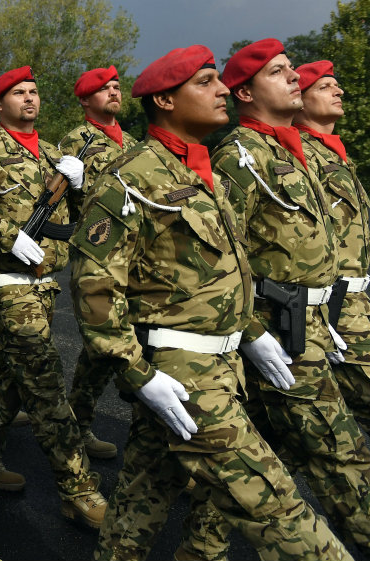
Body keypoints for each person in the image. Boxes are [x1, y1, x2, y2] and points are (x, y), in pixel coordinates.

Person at [69, 43, 353, 561]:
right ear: (165, 101)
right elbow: (94, 286)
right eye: (204, 82)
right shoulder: (132, 175)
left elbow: (231, 271)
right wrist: (137, 374)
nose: (222, 90)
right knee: (280, 511)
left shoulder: (202, 175)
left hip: (224, 365)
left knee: (142, 498)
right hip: (183, 370)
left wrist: (250, 332)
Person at [187, 37, 370, 555]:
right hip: (281, 328)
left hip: (318, 317)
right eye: (279, 72)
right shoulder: (240, 157)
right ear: (244, 92)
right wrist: (253, 332)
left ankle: (199, 550)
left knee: (269, 452)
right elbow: (225, 253)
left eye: (293, 69)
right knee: (340, 454)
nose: (295, 78)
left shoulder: (290, 148)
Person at [0, 65, 107, 528]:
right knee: (45, 386)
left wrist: (80, 187)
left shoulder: (54, 155)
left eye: (34, 92)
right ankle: (77, 489)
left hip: (44, 283)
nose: (29, 99)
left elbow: (78, 216)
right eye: (18, 93)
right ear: (0, 104)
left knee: (10, 379)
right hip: (9, 283)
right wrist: (8, 235)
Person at [60, 65, 140, 460]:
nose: (113, 92)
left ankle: (75, 424)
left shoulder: (134, 142)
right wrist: (77, 187)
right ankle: (74, 429)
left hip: (138, 256)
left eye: (115, 86)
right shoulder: (76, 142)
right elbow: (61, 203)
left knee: (123, 347)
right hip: (102, 256)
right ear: (85, 100)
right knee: (103, 349)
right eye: (103, 88)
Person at [293, 60, 370, 430]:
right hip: (336, 307)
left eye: (337, 86)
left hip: (357, 301)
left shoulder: (337, 156)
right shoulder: (300, 158)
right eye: (325, 87)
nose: (339, 92)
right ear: (300, 101)